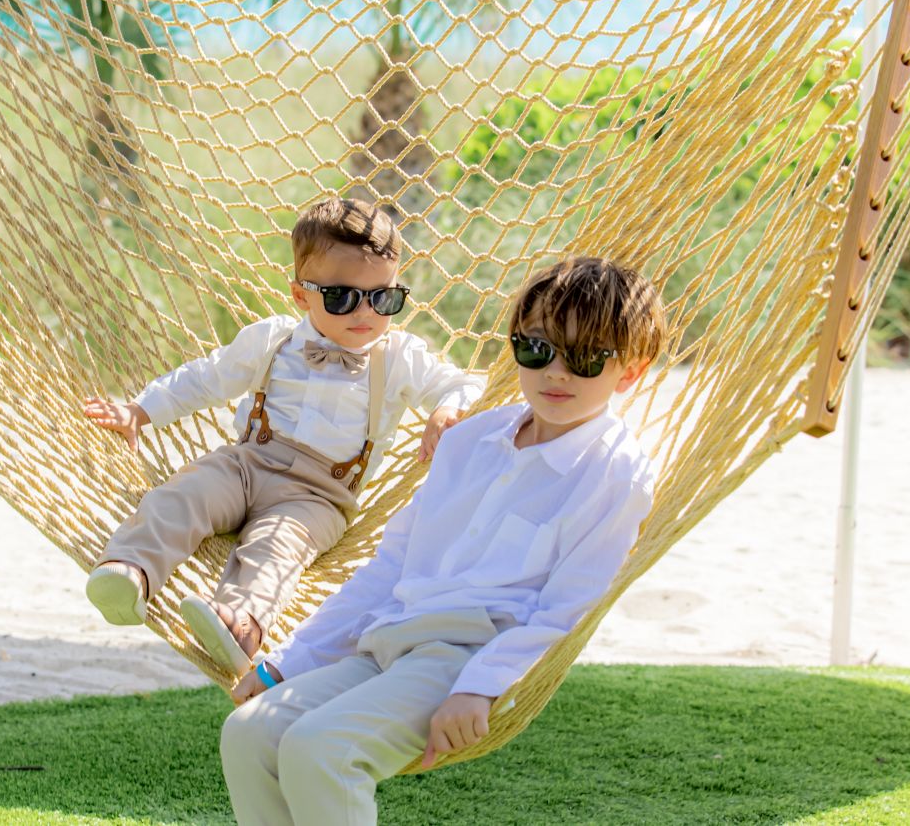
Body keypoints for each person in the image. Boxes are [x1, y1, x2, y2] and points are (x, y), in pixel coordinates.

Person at [220, 255, 666, 826]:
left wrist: (480, 687)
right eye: (536, 349)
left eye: (584, 359)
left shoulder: (615, 475)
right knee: (250, 733)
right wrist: (288, 663)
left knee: (321, 750)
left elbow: (564, 611)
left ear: (629, 373)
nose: (555, 373)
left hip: (466, 656)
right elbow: (390, 568)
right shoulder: (471, 440)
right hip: (388, 640)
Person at [82, 198, 483, 676]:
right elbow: (207, 378)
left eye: (384, 298)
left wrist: (448, 408)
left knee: (276, 549)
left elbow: (464, 383)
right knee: (184, 494)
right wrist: (140, 410)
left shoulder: (398, 356)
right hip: (247, 462)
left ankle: (239, 625)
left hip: (318, 496)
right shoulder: (273, 339)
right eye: (341, 297)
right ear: (301, 296)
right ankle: (130, 571)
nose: (366, 313)